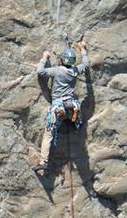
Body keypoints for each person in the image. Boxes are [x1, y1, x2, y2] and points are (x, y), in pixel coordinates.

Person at [34, 39, 88, 177]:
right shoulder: (75, 70)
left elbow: (40, 71)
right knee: (73, 114)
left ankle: (43, 162)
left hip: (58, 107)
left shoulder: (57, 70)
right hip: (72, 105)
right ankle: (74, 121)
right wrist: (83, 49)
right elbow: (85, 65)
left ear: (62, 60)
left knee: (48, 135)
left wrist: (45, 57)